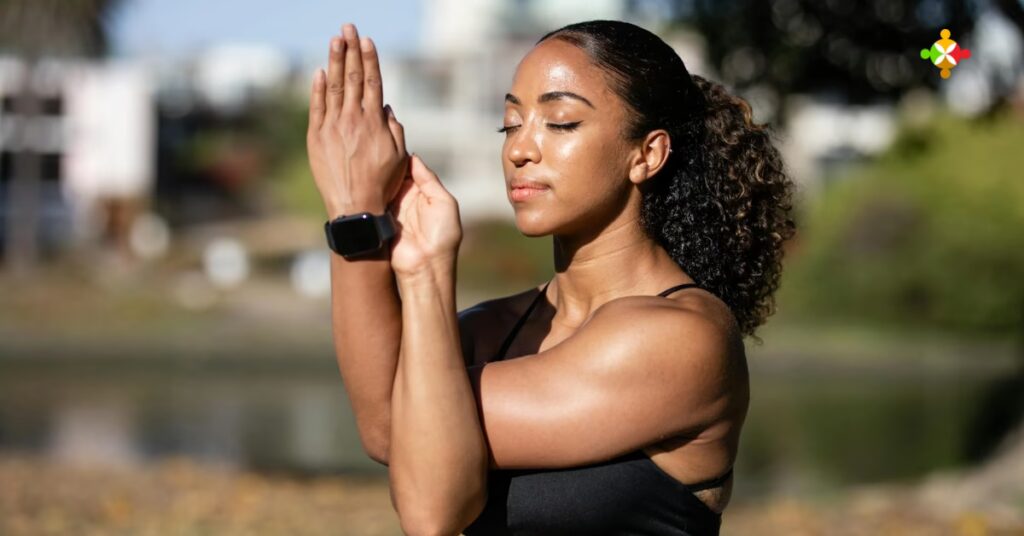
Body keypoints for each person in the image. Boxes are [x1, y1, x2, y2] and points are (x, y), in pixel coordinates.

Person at [307, 19, 796, 536]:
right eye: (511, 123)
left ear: (647, 154)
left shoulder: (681, 337)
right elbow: (389, 427)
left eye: (560, 122)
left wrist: (426, 273)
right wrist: (353, 210)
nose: (520, 149)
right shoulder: (497, 327)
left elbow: (433, 512)